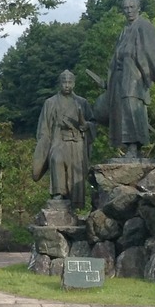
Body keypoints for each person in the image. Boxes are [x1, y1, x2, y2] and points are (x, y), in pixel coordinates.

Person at [105, 0, 155, 159]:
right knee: (121, 109)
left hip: (135, 74)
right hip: (121, 75)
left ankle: (134, 146)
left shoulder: (144, 25)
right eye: (126, 8)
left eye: (132, 7)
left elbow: (151, 49)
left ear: (138, 8)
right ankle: (128, 147)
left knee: (131, 106)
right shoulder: (124, 30)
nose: (129, 11)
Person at [32, 70, 96, 211]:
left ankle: (75, 203)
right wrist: (43, 147)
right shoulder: (50, 103)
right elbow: (44, 128)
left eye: (69, 82)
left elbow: (92, 123)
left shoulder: (82, 102)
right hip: (58, 140)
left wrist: (86, 125)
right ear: (59, 83)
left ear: (74, 84)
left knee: (76, 170)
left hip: (76, 142)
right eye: (64, 82)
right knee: (56, 159)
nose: (67, 85)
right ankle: (58, 194)